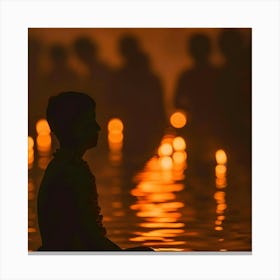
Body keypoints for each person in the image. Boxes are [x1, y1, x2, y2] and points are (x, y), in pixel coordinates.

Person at [37, 91, 153, 251]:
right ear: (74, 127)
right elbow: (90, 238)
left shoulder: (64, 167)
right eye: (90, 121)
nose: (97, 127)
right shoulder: (71, 173)